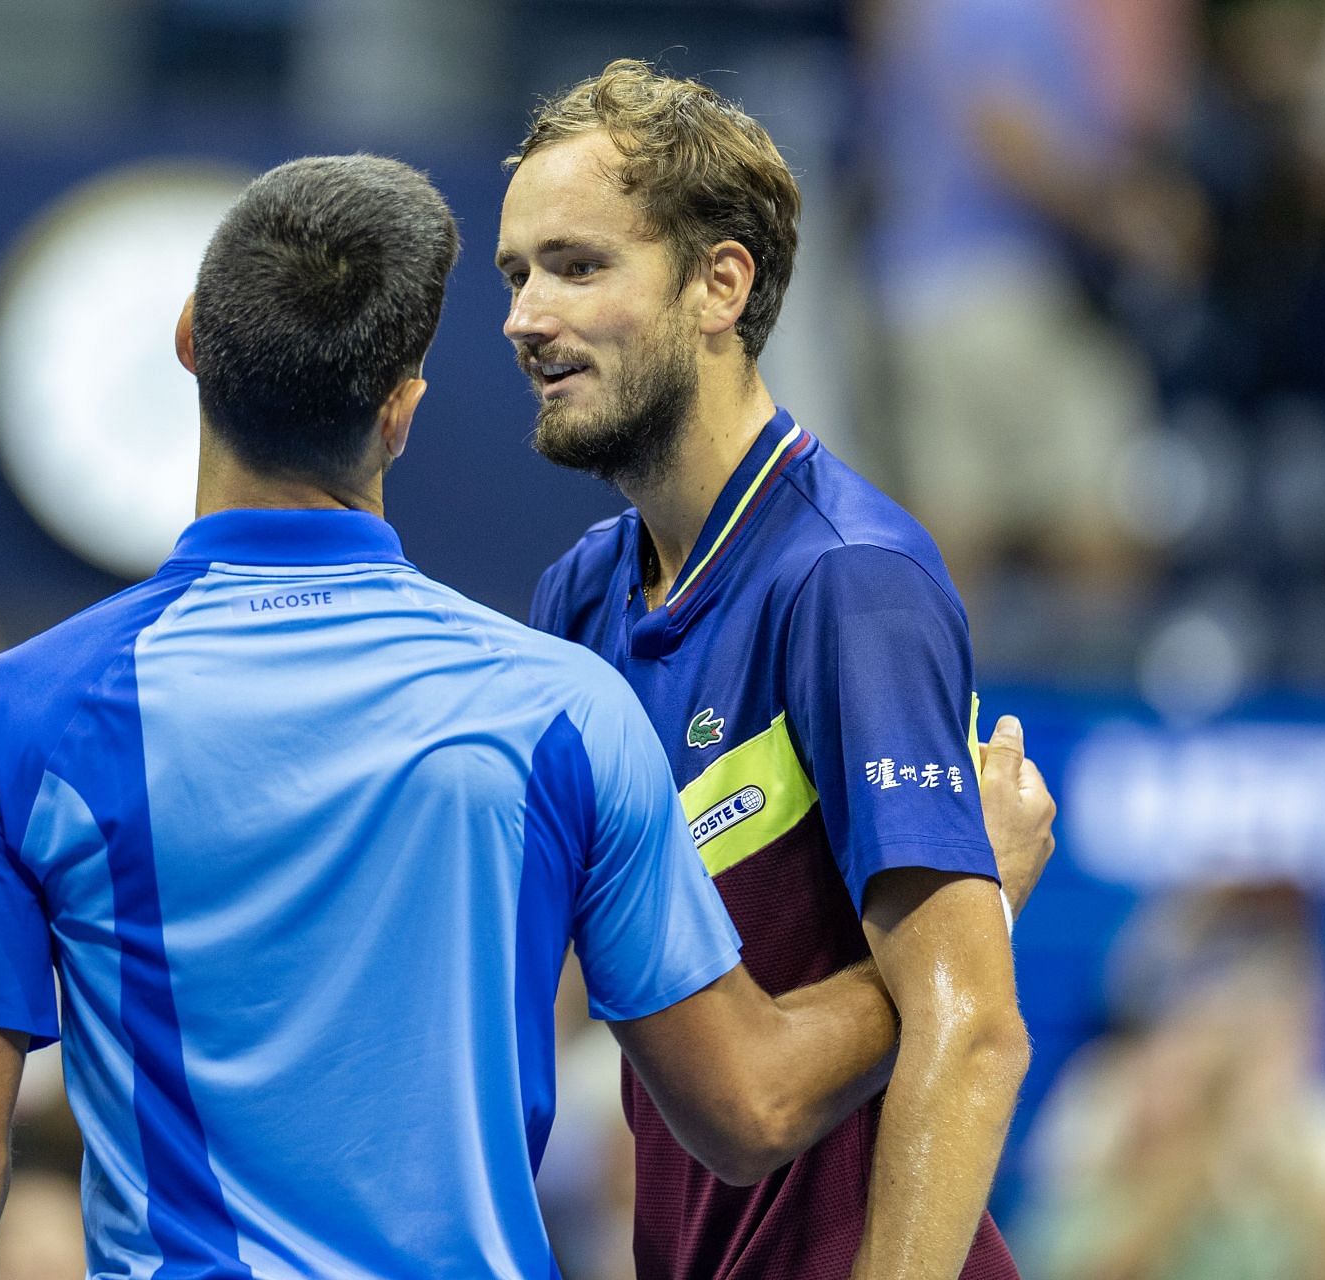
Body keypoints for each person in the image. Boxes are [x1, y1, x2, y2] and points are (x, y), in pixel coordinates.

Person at [0, 155, 1055, 1278]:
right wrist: (980, 890)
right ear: (402, 411)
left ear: (189, 343)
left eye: (572, 267)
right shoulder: (562, 703)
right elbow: (748, 1106)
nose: (535, 311)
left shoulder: (17, 711)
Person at [503, 60, 1036, 1279]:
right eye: (517, 273)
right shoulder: (578, 596)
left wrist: (982, 912)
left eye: (578, 265)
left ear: (719, 284)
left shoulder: (848, 579)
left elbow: (973, 1033)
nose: (525, 316)